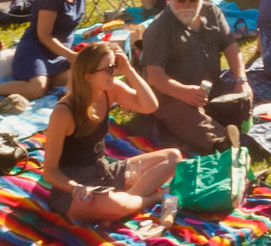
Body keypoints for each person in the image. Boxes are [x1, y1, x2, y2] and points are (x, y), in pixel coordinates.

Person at [42, 40, 185, 224]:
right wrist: (76, 188)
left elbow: (150, 106)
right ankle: (151, 199)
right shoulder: (64, 112)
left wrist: (129, 70)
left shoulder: (110, 91)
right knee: (108, 205)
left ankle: (126, 202)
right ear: (88, 77)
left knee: (173, 157)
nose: (114, 72)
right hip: (73, 188)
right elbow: (50, 172)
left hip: (104, 171)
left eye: (114, 66)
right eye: (109, 68)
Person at [139, 0, 251, 156]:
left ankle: (234, 127)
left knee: (241, 99)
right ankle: (222, 143)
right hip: (171, 94)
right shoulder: (160, 27)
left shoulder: (212, 12)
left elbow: (231, 48)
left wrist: (241, 80)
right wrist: (183, 92)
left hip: (208, 87)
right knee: (183, 114)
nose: (186, 4)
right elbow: (154, 76)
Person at [0, 0, 93, 99]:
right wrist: (71, 56)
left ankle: (47, 79)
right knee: (37, 90)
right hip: (36, 49)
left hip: (60, 50)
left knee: (90, 73)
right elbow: (44, 36)